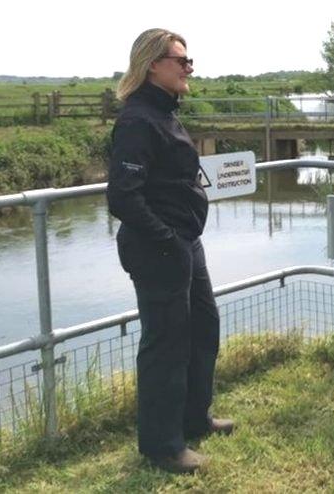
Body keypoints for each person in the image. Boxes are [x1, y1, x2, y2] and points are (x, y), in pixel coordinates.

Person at [107, 28, 234, 475]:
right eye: (180, 60)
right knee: (166, 344)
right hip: (159, 247)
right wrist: (166, 240)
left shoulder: (164, 112)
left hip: (182, 243)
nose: (189, 67)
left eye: (189, 59)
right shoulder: (138, 120)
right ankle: (162, 445)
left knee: (204, 327)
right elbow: (124, 196)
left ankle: (193, 418)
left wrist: (181, 239)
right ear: (151, 65)